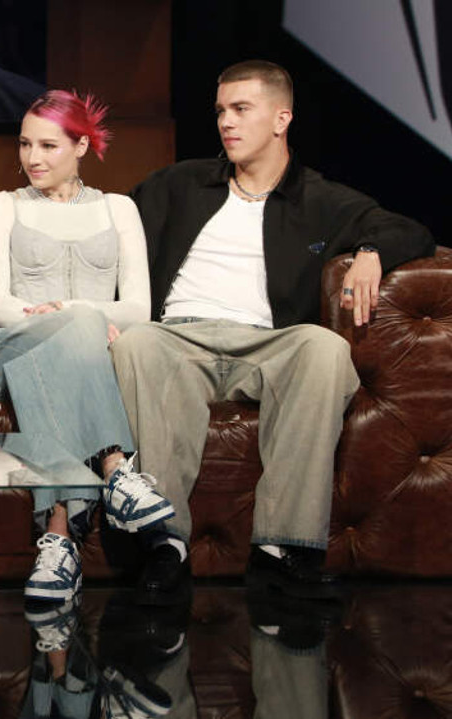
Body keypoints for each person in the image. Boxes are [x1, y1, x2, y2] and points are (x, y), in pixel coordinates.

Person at [112, 60, 434, 604]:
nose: (226, 122)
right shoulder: (180, 183)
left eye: (242, 109)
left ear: (282, 118)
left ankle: (282, 550)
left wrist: (371, 251)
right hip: (177, 337)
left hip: (267, 342)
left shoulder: (320, 198)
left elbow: (410, 229)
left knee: (323, 348)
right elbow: (100, 222)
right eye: (221, 111)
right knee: (138, 342)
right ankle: (164, 545)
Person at [0, 90, 177, 607]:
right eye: (25, 144)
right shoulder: (2, 205)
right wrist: (76, 318)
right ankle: (116, 470)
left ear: (81, 146)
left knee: (74, 345)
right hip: (11, 349)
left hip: (81, 362)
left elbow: (138, 308)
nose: (32, 158)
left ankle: (59, 539)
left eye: (48, 146)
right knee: (79, 326)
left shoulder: (118, 208)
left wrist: (73, 313)